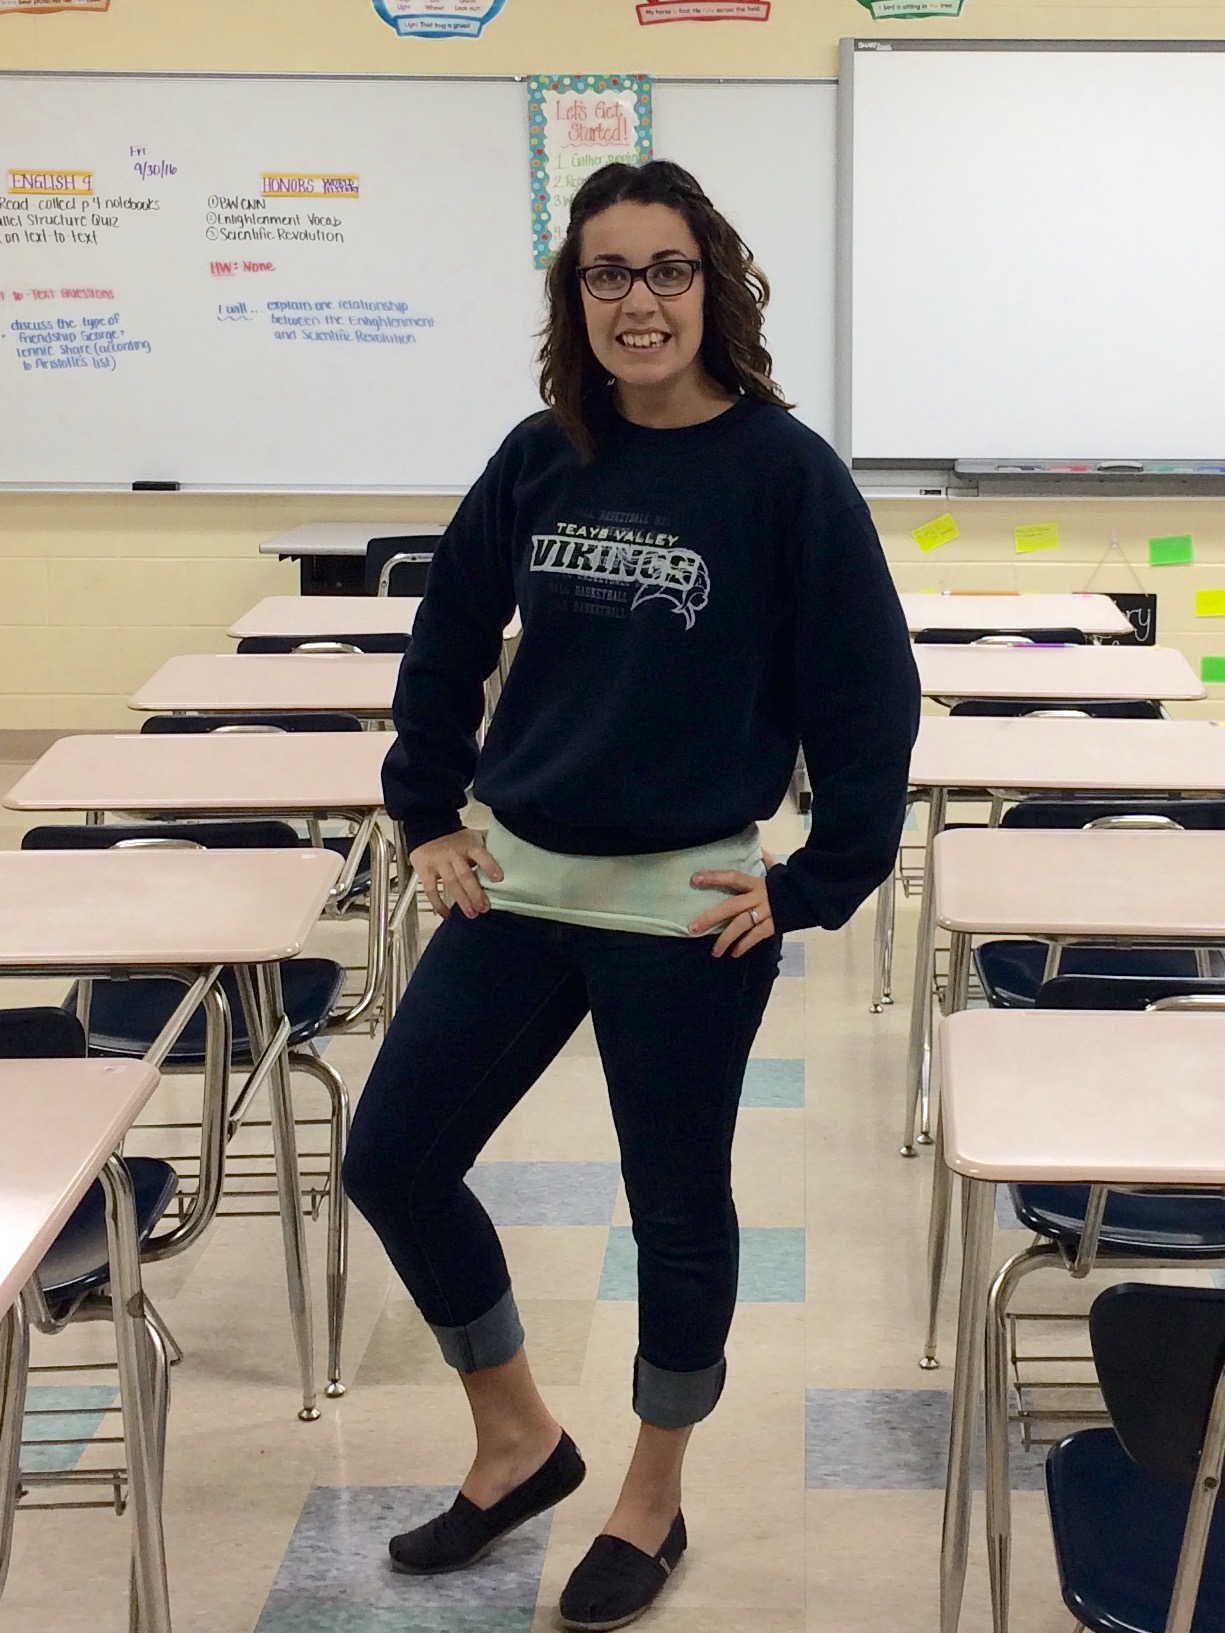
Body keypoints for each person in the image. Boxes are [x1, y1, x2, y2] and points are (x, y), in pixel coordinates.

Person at [342, 158, 919, 1630]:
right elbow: (445, 631)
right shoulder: (542, 454)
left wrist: (819, 882)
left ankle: (652, 1495)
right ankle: (518, 1441)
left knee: (674, 1207)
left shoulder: (785, 472)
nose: (639, 301)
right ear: (576, 298)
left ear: (712, 287)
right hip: (522, 886)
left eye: (667, 270)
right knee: (394, 1160)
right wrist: (425, 812)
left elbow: (869, 692)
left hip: (686, 904)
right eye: (608, 273)